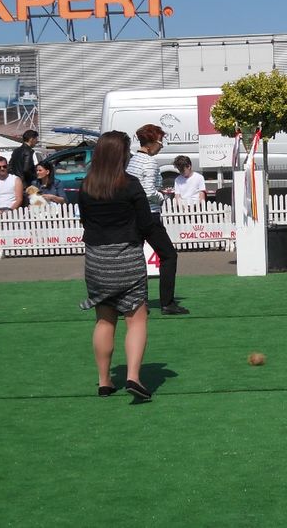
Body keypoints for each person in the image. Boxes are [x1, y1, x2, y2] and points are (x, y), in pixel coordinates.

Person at [78, 130, 155, 400]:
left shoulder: (87, 185)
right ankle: (133, 376)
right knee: (136, 319)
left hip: (96, 259)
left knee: (104, 319)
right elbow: (147, 223)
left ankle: (104, 380)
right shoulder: (131, 185)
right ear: (121, 155)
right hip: (127, 256)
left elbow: (85, 221)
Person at [126, 124, 188, 315]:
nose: (162, 145)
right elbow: (148, 191)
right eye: (161, 141)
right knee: (169, 255)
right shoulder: (150, 162)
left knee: (135, 259)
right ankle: (167, 302)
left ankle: (136, 302)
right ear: (152, 142)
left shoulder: (133, 161)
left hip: (133, 215)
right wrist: (164, 197)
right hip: (150, 215)